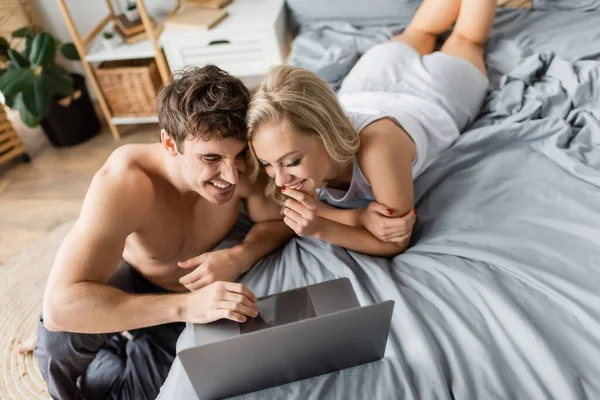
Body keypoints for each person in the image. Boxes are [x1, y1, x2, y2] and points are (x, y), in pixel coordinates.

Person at [31, 65, 292, 400]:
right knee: (56, 341)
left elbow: (278, 220)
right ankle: (106, 331)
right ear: (170, 144)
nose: (230, 174)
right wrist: (186, 307)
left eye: (238, 154)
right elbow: (59, 306)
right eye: (210, 158)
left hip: (183, 292)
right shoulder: (126, 181)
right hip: (136, 276)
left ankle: (116, 338)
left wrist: (239, 255)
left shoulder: (246, 164)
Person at [246, 0, 496, 257]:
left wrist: (320, 228)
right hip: (370, 82)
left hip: (434, 93)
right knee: (417, 32)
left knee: (466, 40)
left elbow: (395, 242)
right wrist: (359, 217)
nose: (279, 179)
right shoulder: (279, 146)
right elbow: (271, 204)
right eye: (267, 163)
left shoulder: (378, 152)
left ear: (326, 133)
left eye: (292, 162)